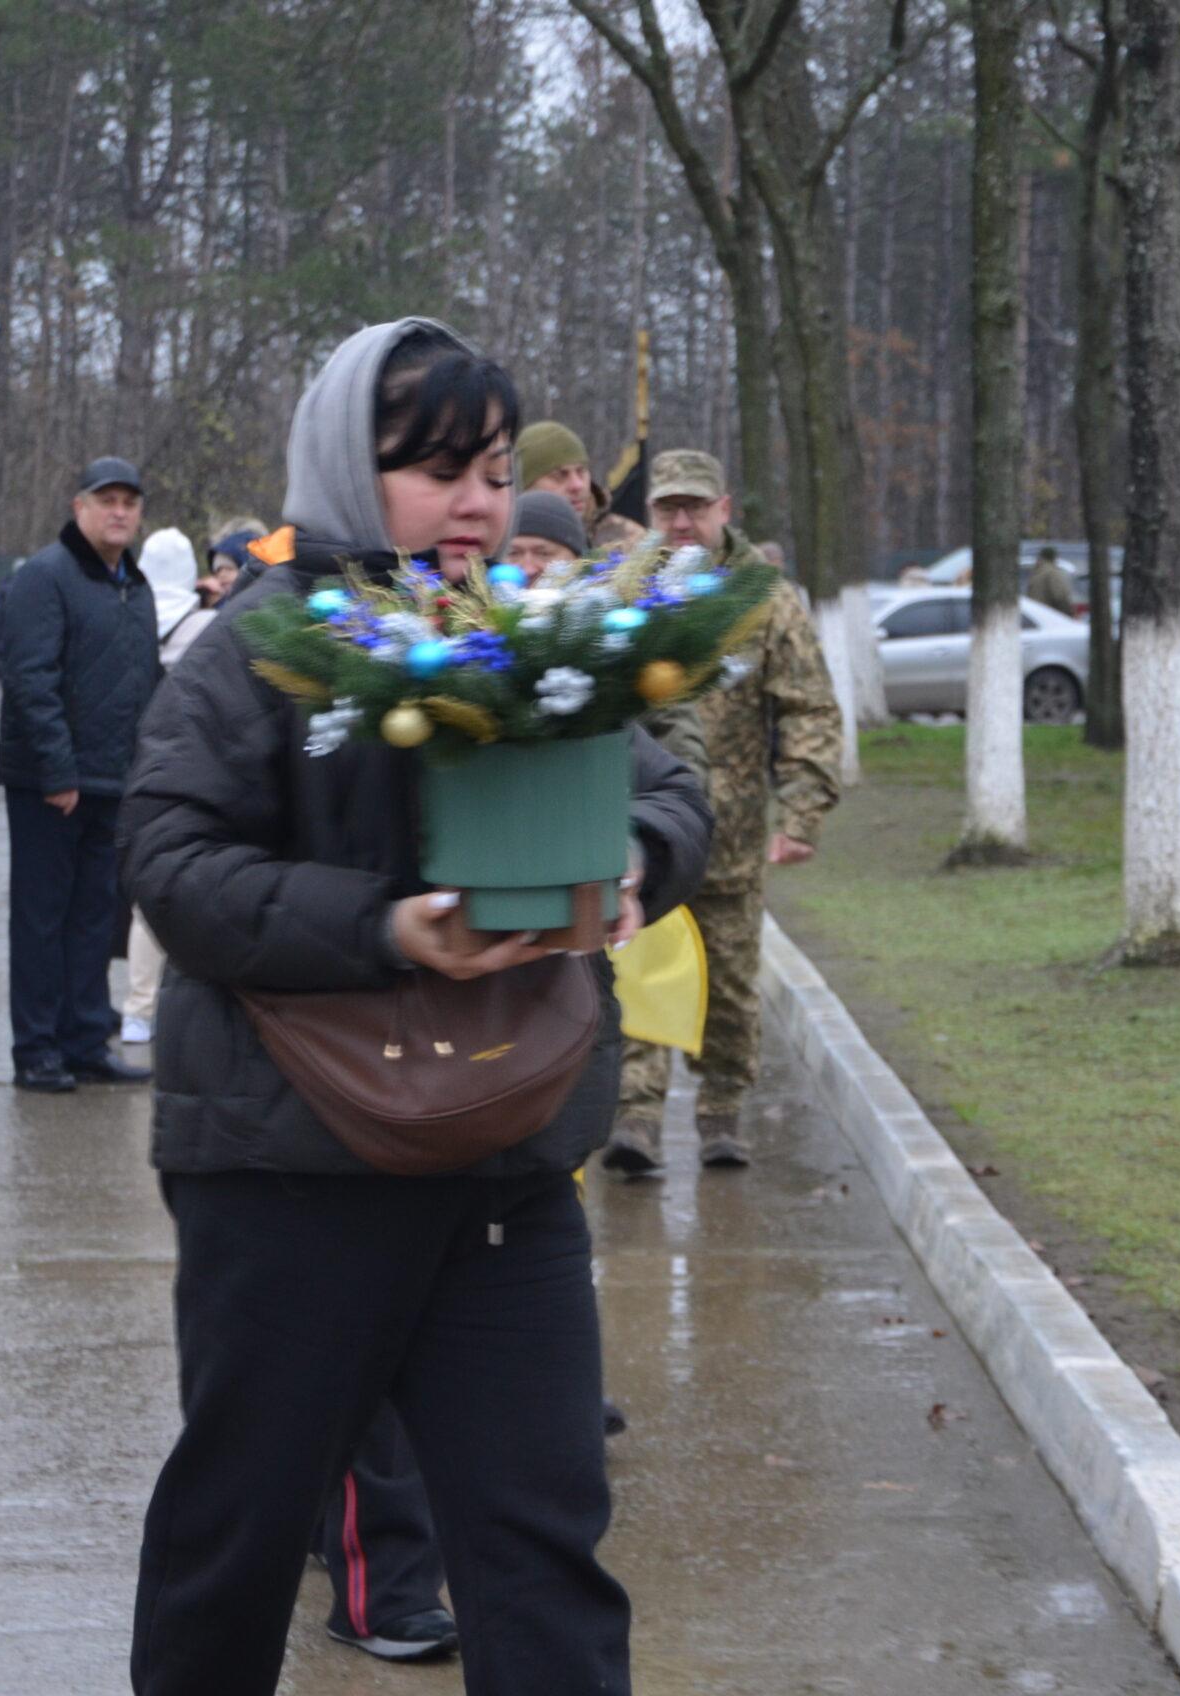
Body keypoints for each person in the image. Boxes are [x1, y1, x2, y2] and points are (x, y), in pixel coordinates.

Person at [121, 317, 712, 1695]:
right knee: (239, 1533)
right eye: (435, 467)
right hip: (290, 1172)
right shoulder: (260, 646)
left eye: (495, 470)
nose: (476, 503)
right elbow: (172, 866)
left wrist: (627, 861)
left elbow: (671, 791)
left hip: (504, 1167)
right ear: (345, 466)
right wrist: (386, 929)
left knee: (543, 1544)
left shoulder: (542, 641)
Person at [605, 449, 842, 1174]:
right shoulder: (623, 590)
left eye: (694, 508)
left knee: (731, 986)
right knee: (635, 970)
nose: (681, 522)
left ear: (723, 510)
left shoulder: (763, 600)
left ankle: (720, 1114)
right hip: (639, 831)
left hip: (732, 837)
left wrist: (802, 811)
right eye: (668, 508)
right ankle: (637, 1116)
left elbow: (807, 705)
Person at [0, 455, 160, 1094]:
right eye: (107, 499)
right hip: (51, 786)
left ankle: (86, 1039)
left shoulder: (133, 586)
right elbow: (32, 680)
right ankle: (36, 1049)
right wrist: (57, 771)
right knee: (42, 918)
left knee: (95, 917)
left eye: (130, 501)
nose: (120, 511)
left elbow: (142, 683)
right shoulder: (46, 577)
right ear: (79, 507)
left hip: (113, 781)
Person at [120, 548, 241, 1047]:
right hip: (206, 760)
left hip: (146, 759)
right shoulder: (209, 625)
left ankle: (137, 1008)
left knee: (150, 895)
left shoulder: (133, 613)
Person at [516, 419, 605, 529]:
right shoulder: (501, 544)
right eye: (559, 475)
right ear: (526, 487)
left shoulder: (611, 538)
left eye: (581, 471)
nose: (577, 485)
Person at [1026, 545, 1078, 617]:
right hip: (1051, 615)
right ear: (1054, 558)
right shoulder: (1052, 573)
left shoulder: (1036, 573)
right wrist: (1069, 614)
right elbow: (1060, 596)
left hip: (1036, 616)